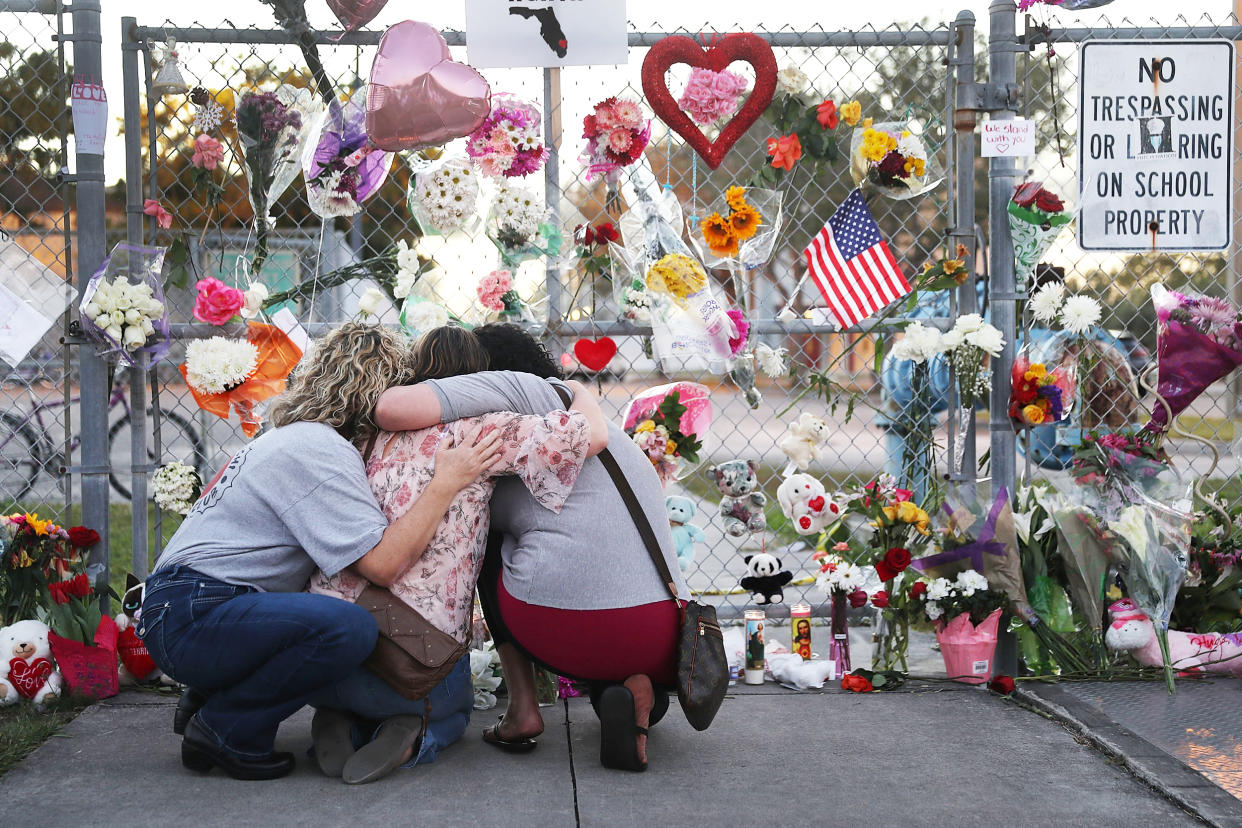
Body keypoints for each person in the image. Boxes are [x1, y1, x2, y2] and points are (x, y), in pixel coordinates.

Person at [138, 323, 503, 781]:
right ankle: (226, 728)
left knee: (322, 617)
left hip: (183, 608)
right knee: (347, 628)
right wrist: (446, 483)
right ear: (377, 396)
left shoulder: (289, 439)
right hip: (195, 614)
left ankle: (215, 700)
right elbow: (383, 565)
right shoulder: (321, 450)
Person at [374, 323, 692, 772]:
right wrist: (583, 391)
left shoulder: (507, 415)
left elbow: (390, 408)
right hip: (663, 629)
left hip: (561, 620)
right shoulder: (586, 420)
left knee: (486, 534)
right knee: (631, 677)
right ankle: (631, 688)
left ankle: (523, 708)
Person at [306, 325, 603, 783]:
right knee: (451, 711)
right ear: (476, 379)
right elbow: (585, 436)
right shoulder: (481, 430)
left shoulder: (363, 433)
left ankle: (337, 715)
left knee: (347, 678)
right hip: (412, 650)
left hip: (329, 625)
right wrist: (579, 391)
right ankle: (415, 733)